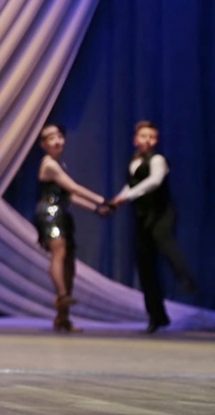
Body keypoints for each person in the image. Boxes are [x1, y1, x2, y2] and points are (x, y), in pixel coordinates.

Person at [109, 120, 199, 333]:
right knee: (145, 266)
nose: (148, 140)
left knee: (163, 238)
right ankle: (157, 316)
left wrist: (128, 196)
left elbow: (154, 181)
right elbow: (131, 185)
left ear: (156, 141)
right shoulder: (134, 162)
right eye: (144, 136)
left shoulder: (158, 160)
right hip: (143, 217)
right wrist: (115, 202)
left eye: (152, 136)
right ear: (135, 140)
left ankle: (185, 277)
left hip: (161, 214)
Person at [31, 124, 107, 332]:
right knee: (60, 251)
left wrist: (95, 209)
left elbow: (69, 196)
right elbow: (74, 188)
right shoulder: (49, 165)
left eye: (59, 136)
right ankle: (62, 295)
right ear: (44, 145)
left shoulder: (60, 165)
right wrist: (102, 200)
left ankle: (62, 318)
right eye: (51, 138)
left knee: (69, 265)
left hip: (62, 214)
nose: (57, 141)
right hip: (49, 214)